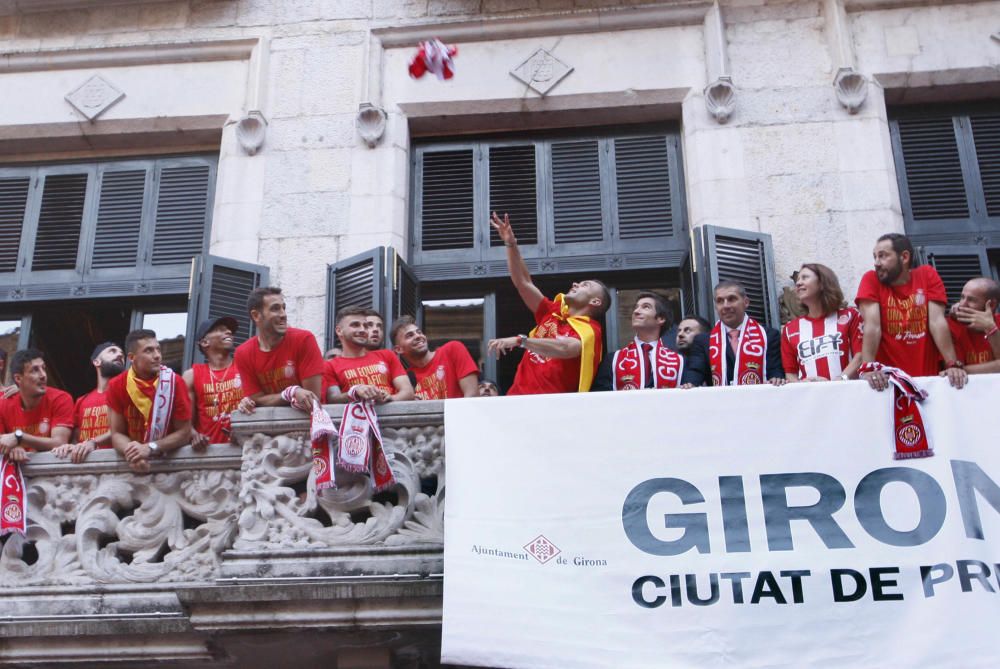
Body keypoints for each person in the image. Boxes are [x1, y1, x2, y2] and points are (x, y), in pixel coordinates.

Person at [486, 212, 608, 394]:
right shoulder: (553, 311)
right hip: (516, 398)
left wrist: (522, 341)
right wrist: (510, 243)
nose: (575, 284)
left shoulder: (591, 330)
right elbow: (523, 282)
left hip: (550, 408)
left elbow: (566, 348)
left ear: (595, 301)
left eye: (585, 285)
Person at [856, 233, 966, 390]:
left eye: (883, 256)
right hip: (889, 383)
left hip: (929, 380)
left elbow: (937, 322)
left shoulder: (926, 275)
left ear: (904, 257)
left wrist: (952, 364)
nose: (876, 263)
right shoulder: (871, 279)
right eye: (875, 257)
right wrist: (868, 368)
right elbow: (872, 326)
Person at [107, 330, 194, 474]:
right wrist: (134, 455)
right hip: (134, 465)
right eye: (149, 350)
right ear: (131, 357)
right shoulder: (117, 385)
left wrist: (150, 447)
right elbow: (116, 434)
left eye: (158, 349)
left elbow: (184, 433)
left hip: (170, 464)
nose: (157, 356)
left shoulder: (174, 382)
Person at [234, 287, 324, 413]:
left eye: (283, 308)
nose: (283, 314)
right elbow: (256, 399)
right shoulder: (242, 353)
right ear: (256, 315)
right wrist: (290, 393)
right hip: (270, 426)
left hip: (310, 422)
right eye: (275, 309)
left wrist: (269, 400)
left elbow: (312, 398)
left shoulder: (304, 339)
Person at [593, 292, 697, 390]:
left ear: (660, 318)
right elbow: (600, 398)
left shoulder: (679, 361)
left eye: (645, 307)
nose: (636, 311)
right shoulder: (613, 360)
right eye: (636, 307)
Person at [781, 263, 864, 382]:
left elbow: (861, 355)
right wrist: (801, 385)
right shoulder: (790, 329)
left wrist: (840, 379)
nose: (798, 283)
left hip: (847, 394)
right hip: (811, 398)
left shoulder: (851, 315)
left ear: (822, 283)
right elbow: (790, 373)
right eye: (798, 279)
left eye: (804, 277)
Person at [53, 342, 125, 464]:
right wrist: (68, 447)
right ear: (97, 362)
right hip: (83, 465)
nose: (119, 355)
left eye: (122, 354)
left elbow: (123, 431)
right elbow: (76, 439)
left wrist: (92, 442)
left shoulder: (126, 395)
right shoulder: (82, 400)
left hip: (115, 463)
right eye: (112, 351)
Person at [325, 306, 414, 403]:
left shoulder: (387, 355)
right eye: (355, 325)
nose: (363, 330)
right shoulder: (330, 365)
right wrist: (355, 392)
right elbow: (333, 398)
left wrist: (391, 398)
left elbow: (408, 392)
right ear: (339, 331)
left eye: (365, 326)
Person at [0, 349, 74, 463]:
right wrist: (12, 448)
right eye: (35, 370)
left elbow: (59, 442)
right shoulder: (3, 404)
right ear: (18, 378)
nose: (43, 375)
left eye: (43, 368)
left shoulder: (61, 398)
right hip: (15, 474)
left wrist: (19, 438)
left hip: (52, 472)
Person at [709, 280, 785, 386]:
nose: (725, 305)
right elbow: (697, 372)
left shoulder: (769, 335)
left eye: (731, 299)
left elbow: (775, 369)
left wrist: (776, 378)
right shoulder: (705, 340)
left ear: (746, 302)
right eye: (720, 301)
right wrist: (690, 383)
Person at [183, 316, 243, 447]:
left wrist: (246, 432)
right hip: (208, 455)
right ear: (205, 342)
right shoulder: (191, 375)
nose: (228, 332)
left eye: (229, 330)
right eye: (221, 329)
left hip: (243, 451)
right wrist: (194, 436)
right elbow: (185, 421)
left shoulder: (245, 367)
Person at [391, 316, 478, 399]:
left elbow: (471, 397)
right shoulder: (405, 380)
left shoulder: (453, 350)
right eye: (410, 335)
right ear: (398, 349)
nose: (418, 336)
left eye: (419, 332)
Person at [945, 277, 1000, 374]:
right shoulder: (952, 326)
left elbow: (960, 370)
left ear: (991, 305)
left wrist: (991, 329)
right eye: (962, 297)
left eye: (971, 300)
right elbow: (955, 372)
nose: (962, 304)